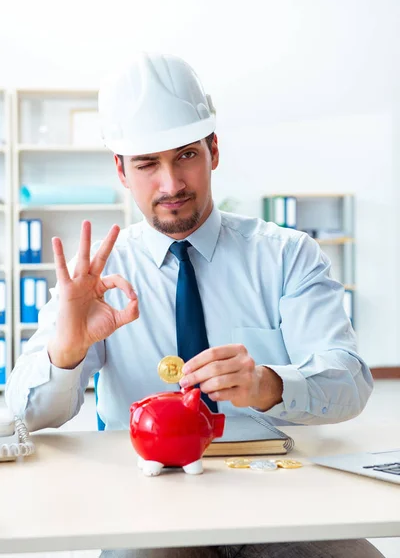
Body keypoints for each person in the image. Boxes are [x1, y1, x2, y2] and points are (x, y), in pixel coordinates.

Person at [5, 53, 381, 558]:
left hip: (277, 493)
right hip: (147, 499)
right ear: (121, 169)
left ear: (214, 150)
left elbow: (350, 381)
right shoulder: (96, 275)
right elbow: (22, 417)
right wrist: (66, 353)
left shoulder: (287, 255)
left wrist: (268, 384)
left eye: (185, 155)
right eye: (146, 164)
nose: (171, 184)